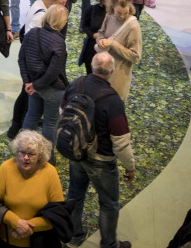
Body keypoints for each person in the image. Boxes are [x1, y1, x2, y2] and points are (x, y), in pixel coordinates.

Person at [66, 53, 136, 248]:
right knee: (108, 204)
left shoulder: (76, 84)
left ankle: (74, 236)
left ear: (92, 65)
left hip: (76, 153)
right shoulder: (113, 100)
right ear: (112, 71)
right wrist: (130, 166)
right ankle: (109, 245)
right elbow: (121, 143)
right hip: (101, 160)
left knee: (74, 195)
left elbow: (65, 113)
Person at [0, 130, 65, 248]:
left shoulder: (50, 172)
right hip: (7, 239)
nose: (26, 158)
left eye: (31, 154)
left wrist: (26, 227)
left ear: (40, 155)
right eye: (22, 152)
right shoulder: (6, 168)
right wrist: (15, 222)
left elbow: (58, 213)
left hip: (40, 241)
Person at [18, 4, 69, 151]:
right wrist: (35, 85)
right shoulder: (59, 43)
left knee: (32, 115)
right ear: (62, 22)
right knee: (51, 123)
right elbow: (53, 73)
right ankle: (47, 157)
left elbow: (22, 59)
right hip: (51, 89)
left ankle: (23, 149)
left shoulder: (32, 33)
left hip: (33, 85)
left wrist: (28, 82)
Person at [96, 0, 142, 101]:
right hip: (101, 70)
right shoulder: (109, 15)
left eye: (125, 12)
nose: (121, 16)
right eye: (119, 13)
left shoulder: (133, 26)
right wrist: (100, 40)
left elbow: (136, 57)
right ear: (112, 7)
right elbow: (101, 32)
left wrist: (113, 44)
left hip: (118, 76)